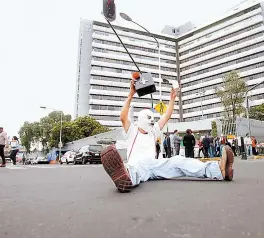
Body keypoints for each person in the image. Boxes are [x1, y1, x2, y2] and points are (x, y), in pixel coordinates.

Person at [100, 80, 234, 193]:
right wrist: (131, 94)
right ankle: (125, 177)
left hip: (155, 166)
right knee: (138, 170)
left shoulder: (153, 132)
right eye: (149, 118)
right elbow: (123, 117)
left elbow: (166, 116)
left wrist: (172, 98)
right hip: (138, 165)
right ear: (140, 119)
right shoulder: (132, 131)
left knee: (178, 161)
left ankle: (218, 170)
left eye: (153, 118)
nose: (152, 121)